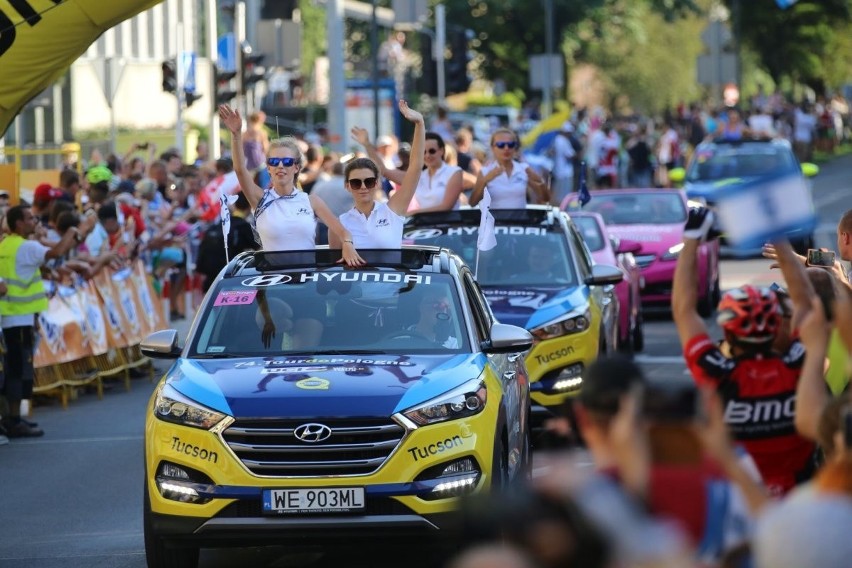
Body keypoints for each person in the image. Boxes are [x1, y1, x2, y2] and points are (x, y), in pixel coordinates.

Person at [672, 206, 816, 496]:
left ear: (728, 332)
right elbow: (806, 303)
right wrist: (775, 233)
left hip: (739, 500)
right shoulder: (797, 363)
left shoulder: (717, 373)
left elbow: (684, 309)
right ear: (777, 326)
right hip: (796, 497)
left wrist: (691, 240)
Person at [218, 104, 364, 266]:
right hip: (274, 285)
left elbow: (342, 231)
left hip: (306, 282)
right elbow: (240, 169)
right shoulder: (260, 198)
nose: (280, 166)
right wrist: (236, 134)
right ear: (269, 168)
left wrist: (347, 244)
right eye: (274, 162)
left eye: (287, 162)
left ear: (296, 168)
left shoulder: (311, 201)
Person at [0, 205, 96, 437]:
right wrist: (74, 232)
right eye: (29, 219)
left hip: (12, 317)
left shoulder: (7, 245)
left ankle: (14, 418)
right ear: (19, 224)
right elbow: (56, 252)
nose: (35, 221)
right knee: (19, 370)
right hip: (19, 317)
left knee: (14, 369)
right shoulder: (27, 246)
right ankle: (14, 420)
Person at [338, 100, 425, 249]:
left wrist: (419, 124)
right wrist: (367, 144)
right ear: (347, 186)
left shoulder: (392, 211)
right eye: (356, 183)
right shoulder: (341, 223)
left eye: (369, 181)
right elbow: (336, 266)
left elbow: (415, 168)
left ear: (377, 183)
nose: (363, 187)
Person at [470, 128, 548, 208]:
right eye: (501, 145)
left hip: (520, 220)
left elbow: (545, 198)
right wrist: (485, 180)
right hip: (496, 220)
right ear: (493, 148)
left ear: (515, 147)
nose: (506, 148)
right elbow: (472, 203)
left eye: (510, 144)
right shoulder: (485, 172)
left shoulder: (524, 169)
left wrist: (540, 181)